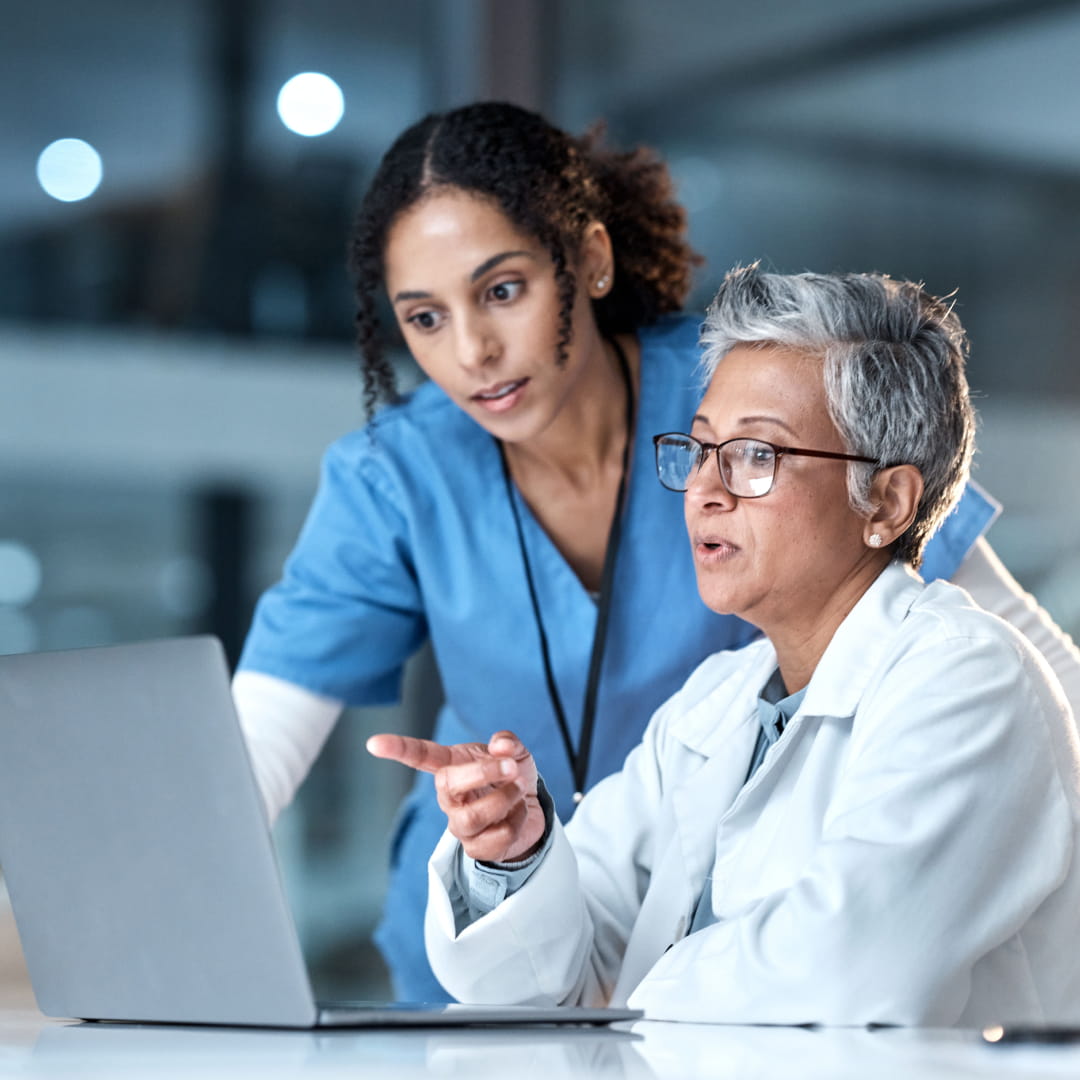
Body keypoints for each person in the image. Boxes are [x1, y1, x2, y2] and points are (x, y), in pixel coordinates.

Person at [234, 102, 1080, 1002]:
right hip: (553, 930)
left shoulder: (750, 385)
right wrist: (514, 852)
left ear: (589, 261)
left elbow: (1017, 669)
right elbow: (251, 755)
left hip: (705, 994)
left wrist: (624, 1006)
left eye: (503, 290)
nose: (473, 350)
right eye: (424, 318)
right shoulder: (404, 477)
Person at [370, 266, 1080, 1026]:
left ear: (887, 500)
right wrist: (513, 858)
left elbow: (842, 971)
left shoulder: (969, 680)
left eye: (756, 456)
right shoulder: (721, 698)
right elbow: (561, 965)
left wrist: (620, 1010)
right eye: (702, 449)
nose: (706, 488)